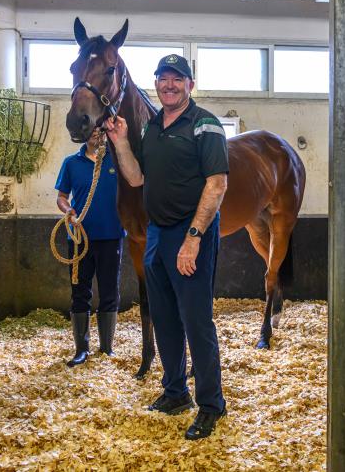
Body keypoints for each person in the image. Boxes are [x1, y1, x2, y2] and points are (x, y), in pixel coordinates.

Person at [105, 54, 228, 440]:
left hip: (189, 233)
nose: (169, 85)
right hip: (157, 233)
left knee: (196, 321)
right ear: (156, 84)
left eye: (177, 78)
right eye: (163, 78)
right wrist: (122, 142)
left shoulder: (204, 124)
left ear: (190, 85)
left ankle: (211, 405)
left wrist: (193, 239)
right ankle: (175, 391)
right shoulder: (153, 126)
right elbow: (137, 176)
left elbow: (217, 184)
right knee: (165, 318)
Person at [55, 128, 125, 367]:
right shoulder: (71, 163)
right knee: (79, 290)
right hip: (79, 238)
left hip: (111, 235)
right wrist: (68, 210)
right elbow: (61, 196)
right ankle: (81, 349)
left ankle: (106, 348)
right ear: (84, 134)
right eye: (92, 131)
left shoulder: (116, 161)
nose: (96, 134)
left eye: (100, 130)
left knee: (109, 291)